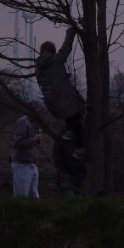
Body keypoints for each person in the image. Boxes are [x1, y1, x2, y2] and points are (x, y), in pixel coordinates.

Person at [36, 26, 85, 157]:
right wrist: (71, 31)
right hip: (64, 99)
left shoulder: (38, 68)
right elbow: (66, 47)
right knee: (78, 120)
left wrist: (63, 77)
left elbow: (50, 80)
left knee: (71, 119)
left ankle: (70, 133)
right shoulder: (56, 60)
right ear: (52, 51)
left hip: (51, 103)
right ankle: (80, 149)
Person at [11, 114, 42, 198]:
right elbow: (17, 142)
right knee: (21, 196)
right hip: (21, 165)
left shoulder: (37, 123)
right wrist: (33, 139)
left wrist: (37, 140)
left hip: (33, 163)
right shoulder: (23, 122)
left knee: (34, 195)